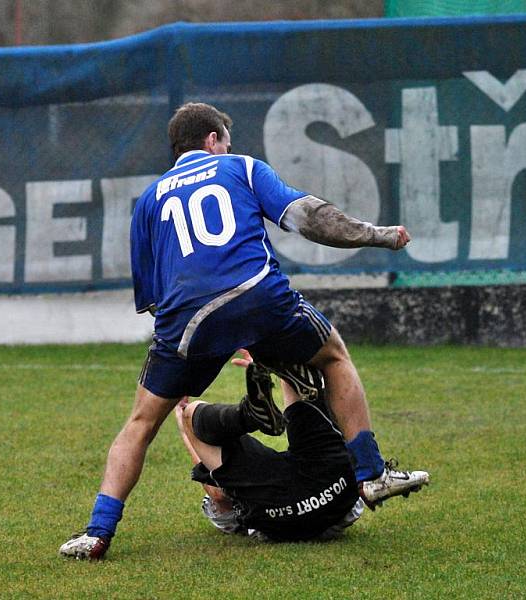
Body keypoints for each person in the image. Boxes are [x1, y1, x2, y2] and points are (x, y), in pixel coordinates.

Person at [59, 102, 430, 560]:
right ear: (213, 140)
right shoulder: (241, 168)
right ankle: (371, 473)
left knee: (140, 423)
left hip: (185, 321)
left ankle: (97, 532)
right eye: (226, 141)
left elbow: (153, 299)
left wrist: (194, 346)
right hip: (256, 295)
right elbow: (308, 217)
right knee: (332, 356)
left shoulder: (150, 201)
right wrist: (378, 235)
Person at [174, 349, 372, 543]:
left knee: (190, 414)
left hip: (276, 510)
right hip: (335, 493)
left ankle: (249, 415)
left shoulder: (230, 514)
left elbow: (218, 494)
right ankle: (271, 382)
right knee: (294, 374)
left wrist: (184, 424)